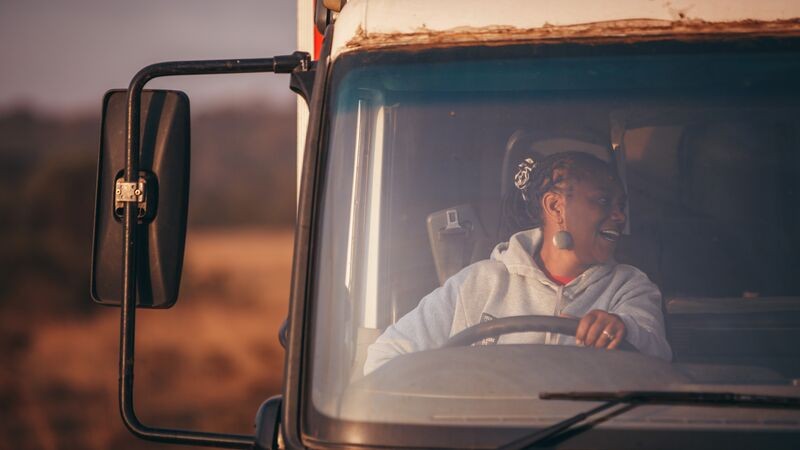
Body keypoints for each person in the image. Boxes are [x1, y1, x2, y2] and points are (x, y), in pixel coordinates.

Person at [364, 151, 672, 375]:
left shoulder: (631, 287)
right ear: (555, 206)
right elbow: (387, 357)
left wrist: (623, 330)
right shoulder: (477, 283)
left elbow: (657, 355)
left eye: (621, 206)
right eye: (604, 201)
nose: (619, 216)